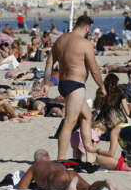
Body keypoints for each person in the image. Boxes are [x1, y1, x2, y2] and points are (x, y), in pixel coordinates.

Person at [42, 15, 103, 160]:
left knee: (87, 116)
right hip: (76, 86)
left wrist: (46, 83)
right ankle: (61, 159)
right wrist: (102, 86)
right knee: (69, 122)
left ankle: (89, 157)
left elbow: (49, 64)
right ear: (87, 27)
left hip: (63, 84)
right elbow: (94, 69)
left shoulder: (60, 40)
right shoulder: (85, 43)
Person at [16, 149, 118, 190]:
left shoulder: (35, 166)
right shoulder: (56, 164)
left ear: (37, 159)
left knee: (61, 183)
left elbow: (21, 187)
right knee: (89, 189)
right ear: (48, 158)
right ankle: (105, 183)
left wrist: (35, 185)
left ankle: (69, 184)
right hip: (71, 173)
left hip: (57, 177)